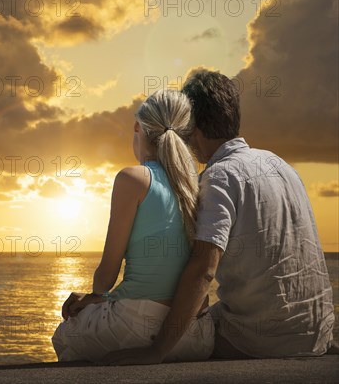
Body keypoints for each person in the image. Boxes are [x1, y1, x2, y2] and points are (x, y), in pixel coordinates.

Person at [103, 69, 335, 365]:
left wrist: (156, 351)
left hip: (262, 341)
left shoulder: (219, 177)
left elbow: (204, 269)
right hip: (317, 334)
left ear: (194, 126)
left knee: (180, 328)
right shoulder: (282, 165)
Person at [51, 89, 215, 363]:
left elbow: (108, 271)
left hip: (135, 328)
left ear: (138, 128)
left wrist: (96, 296)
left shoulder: (133, 179)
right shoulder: (197, 185)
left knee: (66, 334)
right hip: (195, 334)